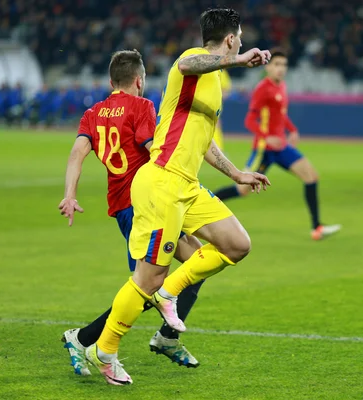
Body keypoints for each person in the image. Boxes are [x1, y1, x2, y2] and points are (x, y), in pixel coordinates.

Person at [83, 8, 272, 385]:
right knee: (147, 278)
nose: (242, 44)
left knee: (236, 244)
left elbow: (201, 142)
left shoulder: (213, 82)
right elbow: (191, 66)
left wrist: (236, 173)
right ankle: (103, 350)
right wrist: (233, 61)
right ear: (232, 38)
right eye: (240, 38)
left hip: (187, 184)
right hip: (163, 182)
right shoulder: (191, 60)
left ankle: (170, 292)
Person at [58, 50, 204, 377]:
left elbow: (76, 155)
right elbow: (154, 150)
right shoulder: (142, 106)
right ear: (139, 80)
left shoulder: (93, 113)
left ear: (111, 82)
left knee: (195, 260)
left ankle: (165, 336)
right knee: (148, 285)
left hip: (126, 207)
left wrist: (70, 195)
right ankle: (88, 340)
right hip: (143, 206)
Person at [214, 50, 341, 240]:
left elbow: (280, 115)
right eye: (277, 64)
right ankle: (203, 205)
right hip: (264, 149)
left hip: (281, 147)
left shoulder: (281, 86)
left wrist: (292, 129)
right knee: (242, 190)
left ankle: (317, 228)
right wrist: (266, 136)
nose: (281, 69)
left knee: (311, 176)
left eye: (284, 65)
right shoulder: (262, 88)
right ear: (268, 67)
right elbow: (250, 120)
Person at [213, 68, 232, 149]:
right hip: (213, 105)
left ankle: (217, 150)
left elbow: (225, 92)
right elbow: (225, 92)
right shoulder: (222, 72)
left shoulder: (222, 72)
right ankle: (217, 150)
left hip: (214, 106)